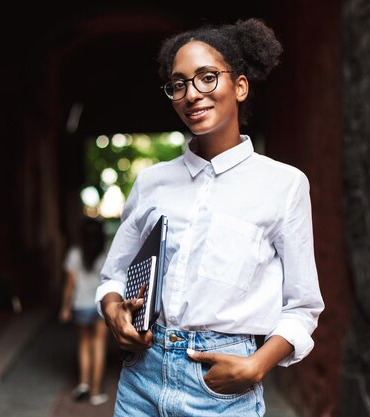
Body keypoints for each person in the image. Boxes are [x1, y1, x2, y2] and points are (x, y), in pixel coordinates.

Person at [96, 18, 324, 416]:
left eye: (206, 78)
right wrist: (112, 308)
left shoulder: (283, 185)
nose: (191, 94)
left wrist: (257, 365)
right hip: (141, 381)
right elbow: (113, 275)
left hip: (219, 388)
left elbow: (302, 306)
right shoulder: (152, 182)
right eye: (179, 83)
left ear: (239, 86)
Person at [59, 217, 109, 406]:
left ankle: (84, 384)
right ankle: (96, 392)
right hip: (100, 305)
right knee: (99, 345)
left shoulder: (74, 254)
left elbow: (70, 285)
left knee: (84, 345)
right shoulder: (104, 256)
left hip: (81, 305)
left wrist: (65, 307)